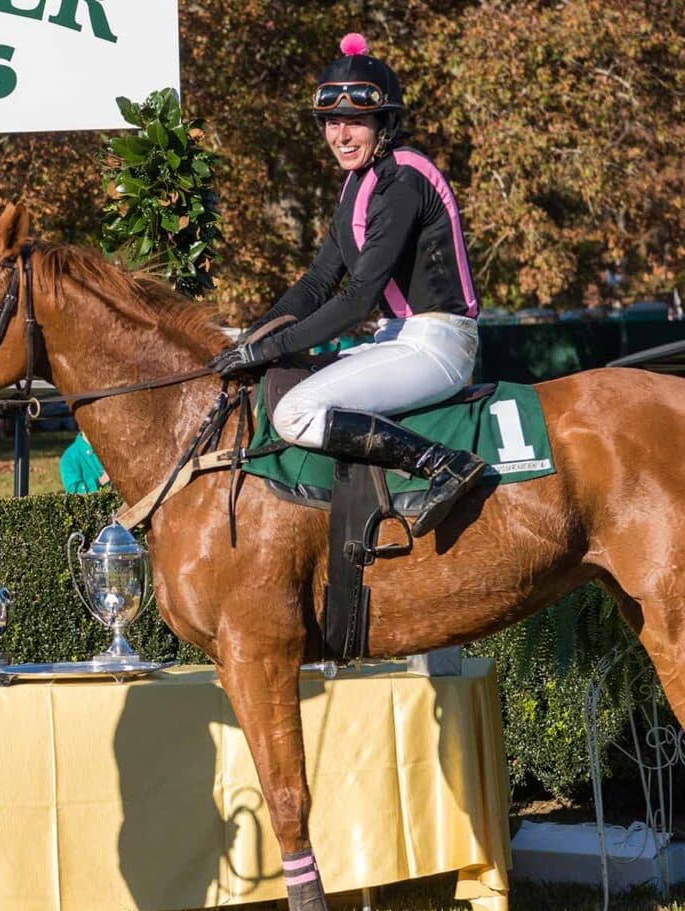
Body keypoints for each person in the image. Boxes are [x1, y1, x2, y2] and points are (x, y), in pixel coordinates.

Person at [209, 33, 488, 537]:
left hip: (439, 345)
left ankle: (440, 462)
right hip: (399, 339)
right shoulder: (357, 184)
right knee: (290, 380)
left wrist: (271, 347)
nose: (341, 135)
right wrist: (251, 339)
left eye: (355, 122)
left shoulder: (402, 180)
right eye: (332, 123)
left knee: (296, 411)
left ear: (384, 124)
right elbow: (317, 282)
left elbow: (356, 297)